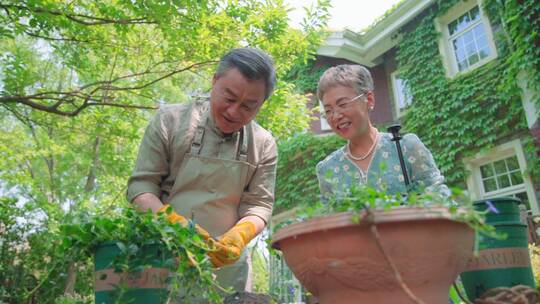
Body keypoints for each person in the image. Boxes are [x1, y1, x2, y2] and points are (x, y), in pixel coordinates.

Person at [126, 48, 277, 294]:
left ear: (261, 104)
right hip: (162, 257)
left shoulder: (264, 143)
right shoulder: (170, 121)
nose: (234, 112)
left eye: (249, 106)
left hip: (227, 269)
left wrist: (239, 235)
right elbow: (141, 188)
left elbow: (260, 206)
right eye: (229, 98)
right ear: (215, 81)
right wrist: (175, 226)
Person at [315, 64, 448, 203]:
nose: (335, 116)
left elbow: (441, 203)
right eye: (328, 110)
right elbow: (331, 219)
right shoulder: (327, 169)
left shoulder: (406, 148)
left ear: (369, 100)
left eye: (342, 104)